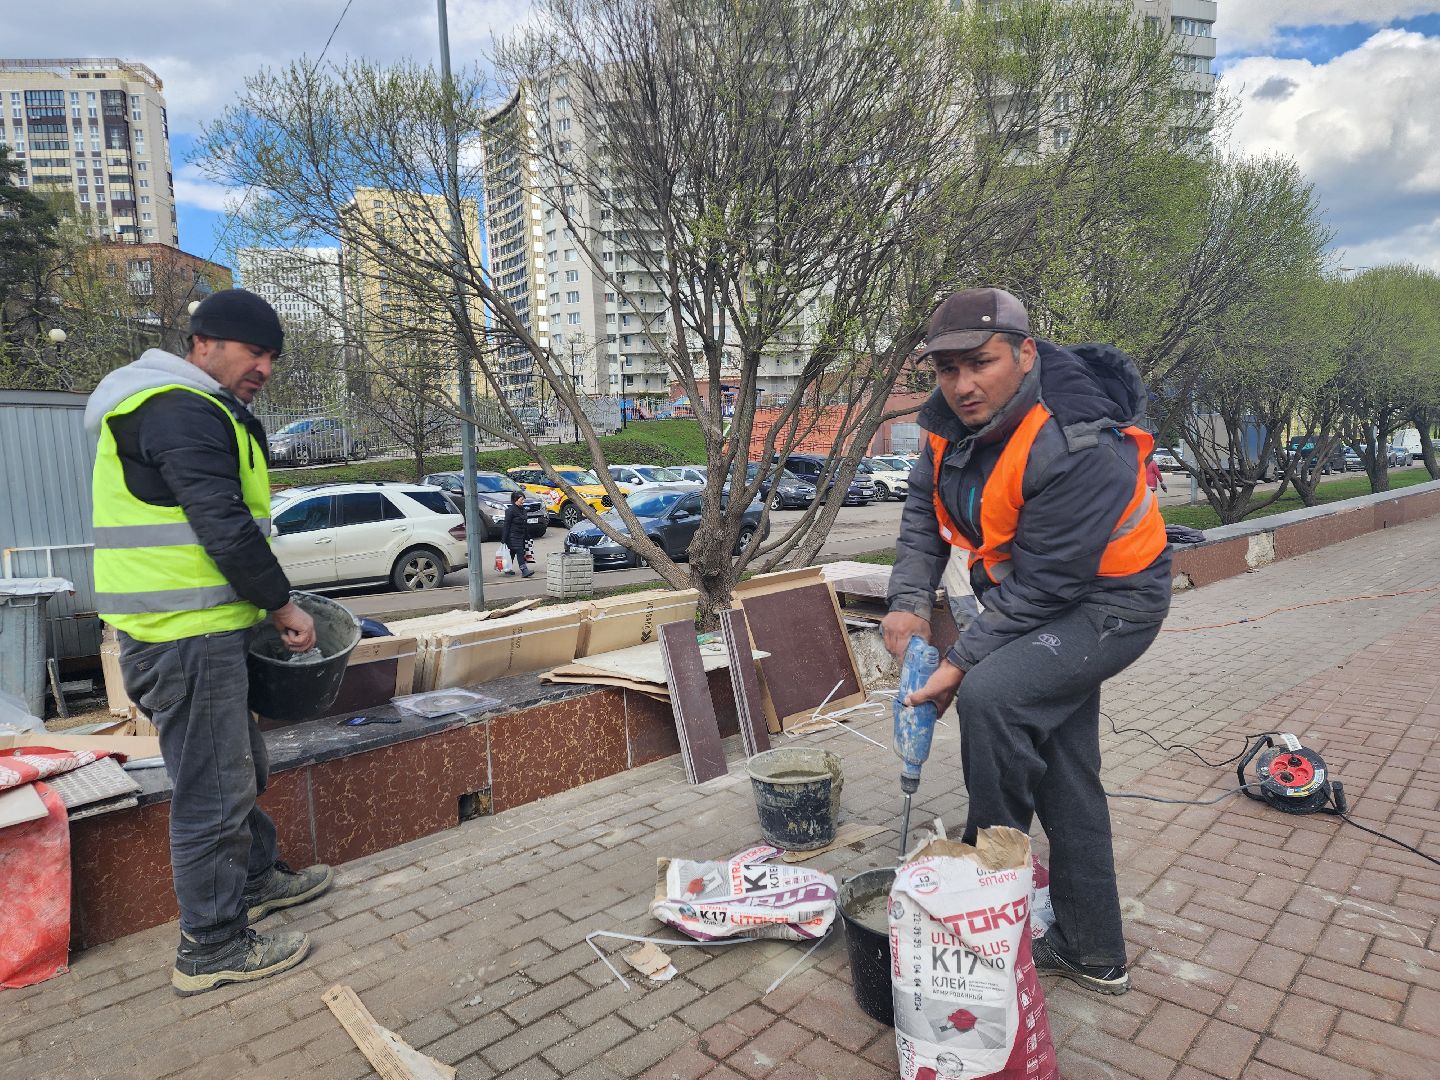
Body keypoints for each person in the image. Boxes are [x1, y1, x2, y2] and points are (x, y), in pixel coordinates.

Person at [883, 287, 1170, 996]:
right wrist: (909, 603)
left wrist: (957, 663)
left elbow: (1046, 587)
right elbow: (923, 511)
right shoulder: (949, 423)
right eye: (947, 369)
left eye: (980, 363)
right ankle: (1094, 950)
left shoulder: (1077, 442)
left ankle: (984, 891)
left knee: (992, 698)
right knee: (1066, 772)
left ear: (1024, 353)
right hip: (1040, 598)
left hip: (1112, 602)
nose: (962, 385)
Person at [85, 289, 334, 997]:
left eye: (272, 357)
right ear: (204, 343)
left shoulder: (190, 406)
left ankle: (254, 880)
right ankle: (212, 944)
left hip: (197, 631)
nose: (265, 369)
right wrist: (282, 606)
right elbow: (222, 524)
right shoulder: (177, 408)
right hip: (182, 638)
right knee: (212, 792)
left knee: (237, 769)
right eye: (254, 351)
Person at [502, 490, 534, 578]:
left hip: (521, 535)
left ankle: (507, 569)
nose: (523, 501)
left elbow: (525, 523)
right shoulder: (510, 510)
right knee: (520, 551)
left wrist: (527, 535)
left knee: (512, 552)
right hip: (512, 536)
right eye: (521, 499)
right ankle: (524, 570)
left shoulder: (523, 510)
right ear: (516, 499)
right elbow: (506, 525)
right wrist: (504, 539)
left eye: (523, 499)